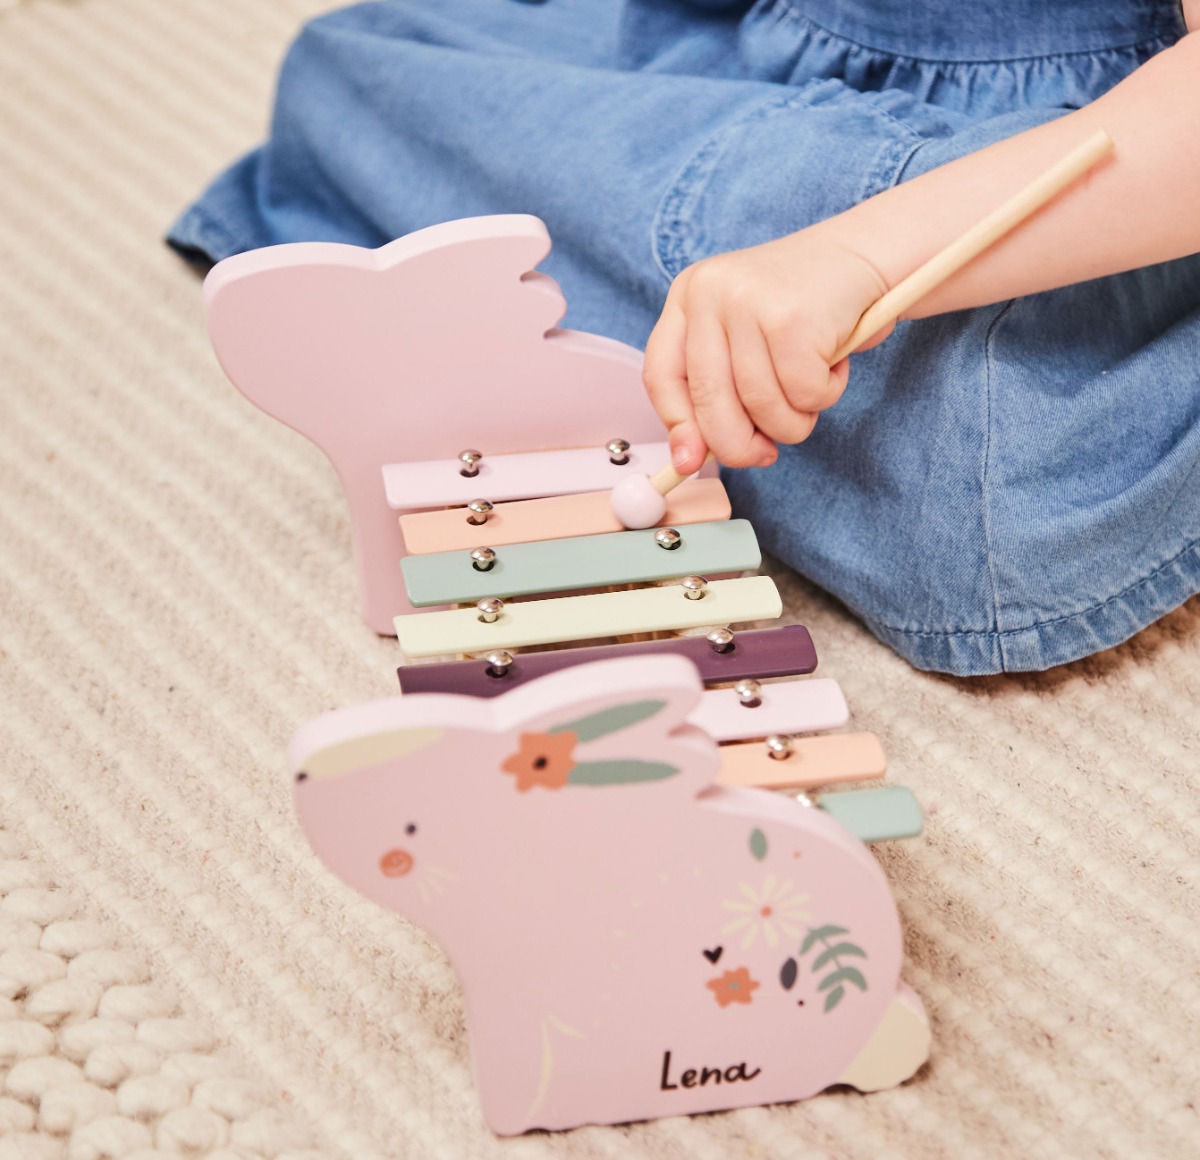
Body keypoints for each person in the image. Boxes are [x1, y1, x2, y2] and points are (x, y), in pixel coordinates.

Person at [169, 0, 1200, 675]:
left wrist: (861, 257)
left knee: (985, 461)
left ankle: (724, 317)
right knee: (353, 60)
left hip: (1039, 180)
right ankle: (720, 321)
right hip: (755, 57)